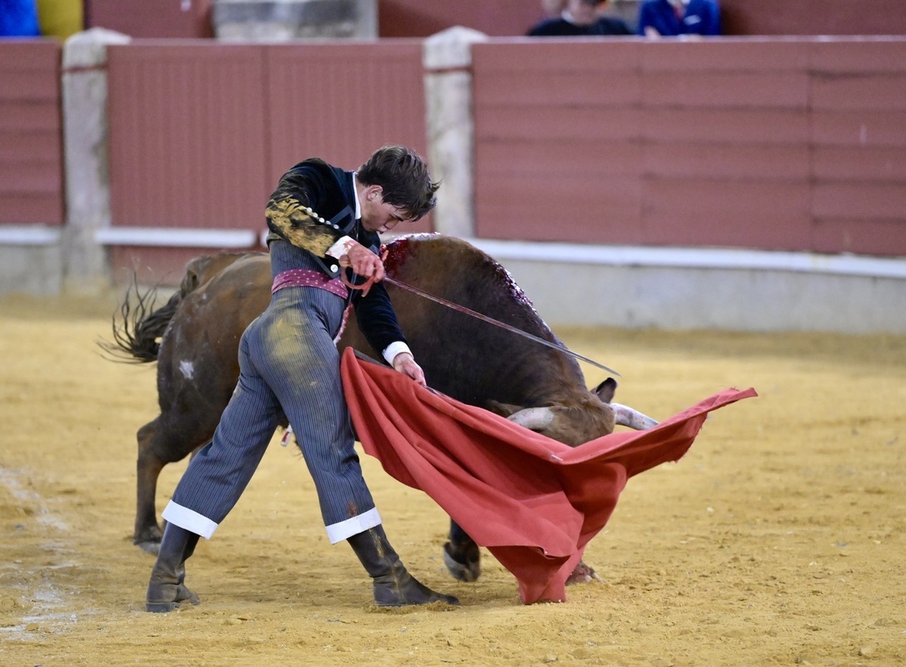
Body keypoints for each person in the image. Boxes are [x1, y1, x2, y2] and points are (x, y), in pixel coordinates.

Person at [145, 145, 460, 612]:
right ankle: (389, 578)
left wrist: (400, 355)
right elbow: (281, 212)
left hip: (277, 340)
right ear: (373, 192)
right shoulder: (318, 178)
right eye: (394, 215)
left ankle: (165, 580)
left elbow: (373, 305)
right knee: (333, 451)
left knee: (224, 454)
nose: (391, 227)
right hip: (294, 333)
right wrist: (346, 247)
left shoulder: (369, 242)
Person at [527, 0, 632, 37]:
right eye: (584, 2)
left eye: (594, 4)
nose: (588, 9)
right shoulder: (547, 31)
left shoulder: (616, 29)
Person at [636, 0, 721, 37]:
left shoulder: (707, 5)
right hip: (660, 64)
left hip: (698, 64)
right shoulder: (649, 6)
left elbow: (713, 39)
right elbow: (645, 39)